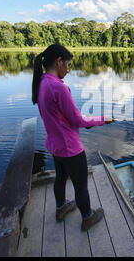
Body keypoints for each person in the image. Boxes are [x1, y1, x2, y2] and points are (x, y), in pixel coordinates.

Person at [32, 44, 114, 231]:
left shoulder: (43, 82)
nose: (68, 70)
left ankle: (60, 208)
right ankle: (88, 217)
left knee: (60, 177)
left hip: (55, 146)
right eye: (68, 65)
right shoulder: (58, 88)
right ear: (59, 61)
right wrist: (103, 119)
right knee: (81, 186)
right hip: (70, 148)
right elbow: (78, 120)